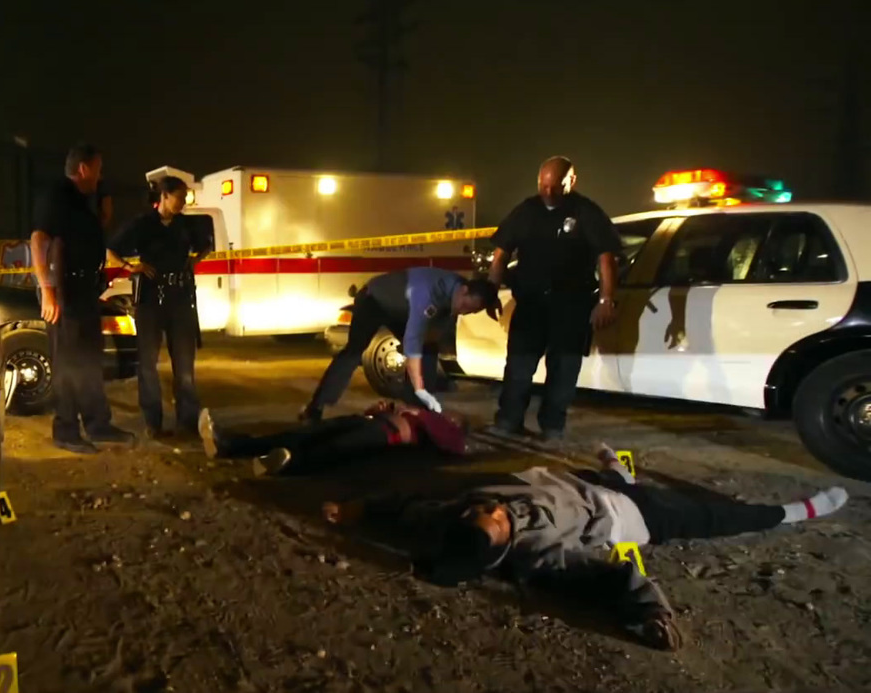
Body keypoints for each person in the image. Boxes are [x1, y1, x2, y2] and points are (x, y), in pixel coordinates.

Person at [324, 446, 851, 650]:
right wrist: (650, 615)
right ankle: (797, 512)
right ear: (501, 547)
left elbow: (403, 510)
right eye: (497, 522)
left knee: (611, 477)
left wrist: (355, 511)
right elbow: (601, 578)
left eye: (484, 512)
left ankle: (616, 471)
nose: (494, 511)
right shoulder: (537, 557)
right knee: (718, 516)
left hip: (573, 482)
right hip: (631, 516)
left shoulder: (458, 514)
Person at [486, 156, 624, 440]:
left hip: (571, 306)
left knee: (563, 372)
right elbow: (501, 253)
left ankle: (552, 427)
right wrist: (490, 291)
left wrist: (606, 300)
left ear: (571, 181)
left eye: (555, 186)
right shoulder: (526, 211)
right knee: (518, 368)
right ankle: (508, 422)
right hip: (531, 304)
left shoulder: (586, 212)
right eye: (543, 185)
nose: (548, 192)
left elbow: (606, 258)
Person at [30, 143, 136, 454]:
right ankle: (65, 430)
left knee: (90, 359)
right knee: (68, 363)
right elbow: (39, 240)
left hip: (85, 292)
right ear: (83, 169)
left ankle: (97, 423)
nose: (100, 175)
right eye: (98, 169)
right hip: (65, 292)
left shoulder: (81, 202)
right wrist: (48, 291)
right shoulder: (58, 196)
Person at [302, 267, 499, 423]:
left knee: (429, 350)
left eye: (470, 312)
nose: (463, 312)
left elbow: (432, 337)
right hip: (374, 300)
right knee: (354, 351)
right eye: (465, 306)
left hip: (401, 308)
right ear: (464, 291)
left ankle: (417, 410)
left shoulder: (458, 294)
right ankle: (316, 408)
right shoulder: (427, 291)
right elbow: (413, 340)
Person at [107, 176, 213, 438]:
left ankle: (187, 420)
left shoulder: (186, 224)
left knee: (185, 364)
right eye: (179, 196)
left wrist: (194, 260)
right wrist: (132, 267)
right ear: (164, 196)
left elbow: (206, 246)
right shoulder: (142, 224)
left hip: (179, 298)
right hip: (150, 300)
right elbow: (111, 248)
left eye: (185, 197)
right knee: (147, 364)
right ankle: (153, 421)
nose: (183, 202)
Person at [199, 399, 466, 475]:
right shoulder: (422, 414)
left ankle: (284, 465)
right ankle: (229, 445)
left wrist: (420, 415)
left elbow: (452, 447)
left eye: (455, 417)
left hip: (383, 435)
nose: (449, 414)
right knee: (302, 434)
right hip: (368, 422)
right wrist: (384, 408)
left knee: (333, 449)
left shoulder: (449, 431)